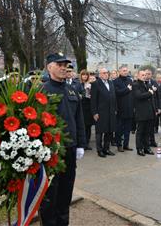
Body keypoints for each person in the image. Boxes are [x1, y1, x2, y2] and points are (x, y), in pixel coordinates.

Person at [39, 53, 86, 226]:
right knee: (49, 194)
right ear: (49, 67)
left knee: (66, 192)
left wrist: (81, 143)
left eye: (65, 64)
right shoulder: (42, 90)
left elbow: (79, 119)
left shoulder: (72, 89)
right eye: (59, 64)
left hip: (70, 149)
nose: (63, 67)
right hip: (51, 152)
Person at [91, 68, 117, 158]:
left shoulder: (110, 83)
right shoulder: (95, 84)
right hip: (100, 112)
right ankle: (100, 150)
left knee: (109, 131)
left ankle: (106, 148)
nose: (106, 74)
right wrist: (94, 113)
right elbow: (93, 100)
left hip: (111, 111)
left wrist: (115, 109)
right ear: (100, 74)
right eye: (104, 73)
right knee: (100, 132)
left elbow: (114, 97)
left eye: (107, 73)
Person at [132, 69, 156, 156]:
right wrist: (150, 93)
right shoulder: (135, 85)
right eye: (142, 75)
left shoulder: (148, 85)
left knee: (148, 131)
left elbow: (152, 99)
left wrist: (154, 110)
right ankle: (139, 149)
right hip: (141, 112)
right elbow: (139, 96)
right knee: (140, 131)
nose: (144, 76)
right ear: (138, 76)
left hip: (149, 112)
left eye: (145, 75)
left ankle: (147, 148)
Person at [113, 66, 134, 152]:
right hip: (120, 108)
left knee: (127, 129)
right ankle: (119, 145)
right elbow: (117, 93)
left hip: (129, 108)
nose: (126, 72)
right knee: (119, 129)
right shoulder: (115, 81)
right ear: (119, 71)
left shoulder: (130, 80)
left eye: (126, 70)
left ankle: (126, 145)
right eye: (124, 71)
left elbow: (132, 94)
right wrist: (127, 89)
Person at [145, 68, 160, 147]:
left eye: (149, 74)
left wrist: (158, 108)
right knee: (146, 126)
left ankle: (152, 141)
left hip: (153, 107)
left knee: (152, 126)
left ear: (151, 75)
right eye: (146, 74)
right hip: (145, 107)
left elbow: (157, 96)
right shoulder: (143, 82)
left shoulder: (154, 82)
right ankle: (146, 142)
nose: (147, 75)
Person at [79, 70, 94, 150]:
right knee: (83, 127)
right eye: (83, 75)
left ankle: (87, 143)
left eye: (86, 75)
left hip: (89, 108)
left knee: (88, 126)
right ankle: (82, 143)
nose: (85, 76)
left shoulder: (90, 84)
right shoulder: (79, 84)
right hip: (82, 108)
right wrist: (82, 95)